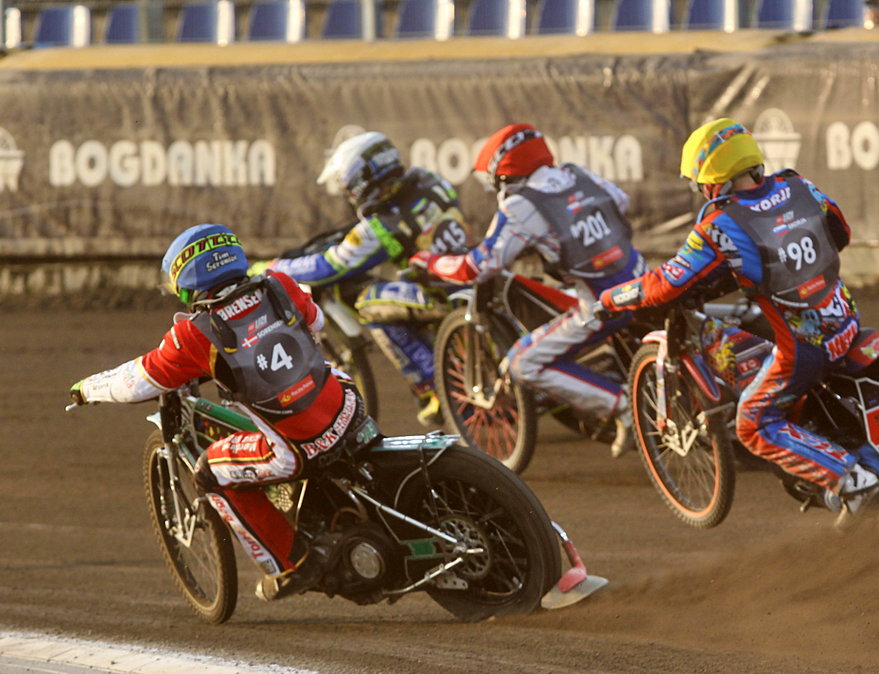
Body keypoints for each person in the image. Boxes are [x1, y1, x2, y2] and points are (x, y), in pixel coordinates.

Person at [69, 224, 378, 601]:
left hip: (299, 448)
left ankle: (293, 565)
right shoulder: (278, 284)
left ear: (185, 280)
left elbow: (136, 382)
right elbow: (316, 323)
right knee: (329, 377)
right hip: (348, 405)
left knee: (211, 472)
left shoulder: (194, 335)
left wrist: (88, 388)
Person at [597, 118, 879, 521]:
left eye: (698, 183)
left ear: (711, 181)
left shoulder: (720, 223)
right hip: (846, 319)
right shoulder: (799, 186)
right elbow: (841, 232)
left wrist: (613, 297)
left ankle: (852, 481)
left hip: (805, 348)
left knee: (752, 425)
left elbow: (665, 285)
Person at [408, 123, 646, 458]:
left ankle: (621, 405)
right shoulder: (578, 174)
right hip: (643, 278)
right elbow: (621, 202)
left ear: (503, 174)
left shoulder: (522, 206)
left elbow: (477, 266)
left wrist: (430, 261)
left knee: (523, 362)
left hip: (602, 306)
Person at [254, 131, 473, 427]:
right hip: (469, 275)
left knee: (369, 304)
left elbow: (329, 266)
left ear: (363, 178)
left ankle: (434, 386)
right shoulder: (429, 181)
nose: (347, 192)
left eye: (347, 185)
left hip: (438, 292)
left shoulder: (378, 226)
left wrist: (272, 267)